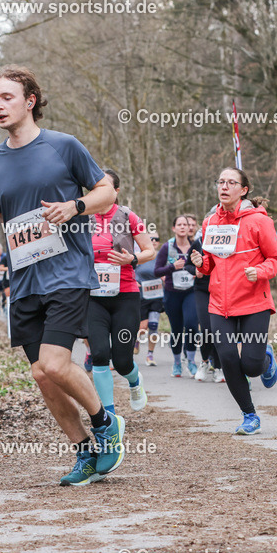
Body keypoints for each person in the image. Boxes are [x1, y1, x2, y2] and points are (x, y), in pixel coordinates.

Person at [0, 65, 124, 486]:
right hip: (25, 277)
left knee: (54, 362)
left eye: (6, 97)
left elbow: (107, 192)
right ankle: (84, 451)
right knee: (41, 375)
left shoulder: (63, 146)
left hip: (67, 270)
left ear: (30, 101)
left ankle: (106, 424)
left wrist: (75, 207)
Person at [190, 169, 277, 435]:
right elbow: (210, 264)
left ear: (244, 190)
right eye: (220, 182)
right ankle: (249, 415)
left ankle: (265, 360)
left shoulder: (258, 221)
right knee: (228, 358)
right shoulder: (210, 222)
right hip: (220, 303)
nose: (224, 186)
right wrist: (201, 263)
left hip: (254, 300)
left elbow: (275, 258)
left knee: (251, 366)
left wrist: (261, 271)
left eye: (231, 182)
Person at [87, 169, 155, 415]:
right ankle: (109, 416)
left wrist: (132, 259)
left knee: (123, 361)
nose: (99, 192)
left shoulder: (127, 216)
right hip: (93, 297)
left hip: (125, 294)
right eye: (95, 187)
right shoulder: (83, 218)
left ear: (115, 191)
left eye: (105, 187)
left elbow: (149, 250)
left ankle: (135, 383)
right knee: (100, 355)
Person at [154, 215, 200, 378]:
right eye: (179, 224)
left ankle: (192, 362)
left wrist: (197, 273)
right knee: (176, 329)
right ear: (174, 228)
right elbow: (157, 270)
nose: (182, 227)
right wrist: (172, 267)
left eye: (185, 225)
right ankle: (177, 363)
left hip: (190, 292)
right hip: (172, 293)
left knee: (192, 325)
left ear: (190, 228)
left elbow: (204, 265)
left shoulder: (196, 246)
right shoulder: (167, 247)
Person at [190, 213, 223, 383]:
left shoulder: (228, 240)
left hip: (221, 288)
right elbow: (189, 262)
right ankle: (204, 362)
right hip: (202, 290)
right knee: (207, 329)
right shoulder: (200, 241)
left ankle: (218, 368)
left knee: (219, 330)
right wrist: (195, 270)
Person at [134, 233, 163, 366]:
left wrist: (166, 276)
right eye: (151, 238)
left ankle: (150, 355)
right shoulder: (141, 254)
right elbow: (131, 269)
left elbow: (168, 270)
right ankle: (136, 340)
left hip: (157, 295)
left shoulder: (162, 256)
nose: (153, 241)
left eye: (156, 239)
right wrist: (134, 280)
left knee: (153, 325)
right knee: (143, 326)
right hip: (142, 295)